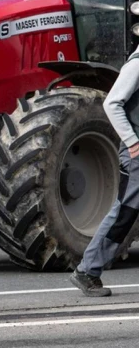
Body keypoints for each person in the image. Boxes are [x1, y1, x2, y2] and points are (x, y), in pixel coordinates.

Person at [70, 47, 139, 297]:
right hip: (136, 154)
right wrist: (132, 142)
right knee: (125, 212)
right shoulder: (137, 64)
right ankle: (87, 270)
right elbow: (112, 103)